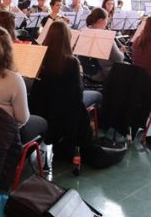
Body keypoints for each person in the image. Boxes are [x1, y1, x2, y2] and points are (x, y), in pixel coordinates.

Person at [32, 20, 100, 155]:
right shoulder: (71, 61)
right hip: (66, 109)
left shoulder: (40, 57)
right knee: (98, 95)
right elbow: (78, 94)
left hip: (44, 108)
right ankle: (91, 136)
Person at [84, 7, 124, 83]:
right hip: (103, 73)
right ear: (101, 21)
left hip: (87, 71)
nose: (107, 22)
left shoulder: (84, 32)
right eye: (106, 19)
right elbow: (118, 59)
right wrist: (122, 52)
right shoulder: (105, 36)